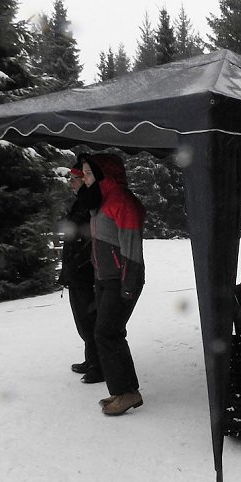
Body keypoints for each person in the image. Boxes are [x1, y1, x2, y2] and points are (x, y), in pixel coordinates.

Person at [79, 153, 146, 416]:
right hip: (105, 280)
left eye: (87, 173)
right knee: (111, 333)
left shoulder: (121, 201)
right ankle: (126, 390)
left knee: (105, 333)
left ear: (103, 173)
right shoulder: (100, 200)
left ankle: (126, 393)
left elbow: (132, 249)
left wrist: (128, 284)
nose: (84, 178)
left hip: (122, 279)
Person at [56, 161, 102, 383]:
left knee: (90, 318)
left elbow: (90, 240)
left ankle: (99, 364)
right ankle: (91, 359)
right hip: (77, 272)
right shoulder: (82, 203)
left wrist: (78, 263)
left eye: (75, 179)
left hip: (86, 272)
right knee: (83, 318)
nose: (71, 184)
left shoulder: (91, 203)